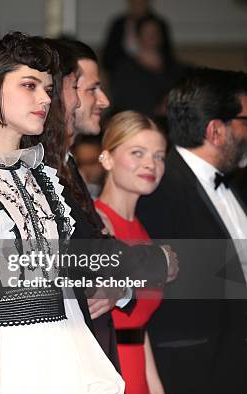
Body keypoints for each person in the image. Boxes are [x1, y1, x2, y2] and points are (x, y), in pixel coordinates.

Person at [0, 32, 124, 394]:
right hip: (5, 359)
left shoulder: (43, 175)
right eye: (29, 85)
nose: (44, 98)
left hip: (62, 351)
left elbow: (59, 282)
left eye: (46, 88)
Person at [41, 38, 177, 373]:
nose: (103, 100)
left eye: (159, 156)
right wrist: (157, 260)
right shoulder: (37, 169)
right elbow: (42, 263)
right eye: (89, 89)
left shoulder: (67, 166)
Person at [136, 67, 247, 394]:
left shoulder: (234, 184)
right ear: (216, 131)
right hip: (192, 375)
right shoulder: (159, 187)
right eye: (245, 120)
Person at [94, 111, 167, 394]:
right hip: (108, 378)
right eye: (138, 153)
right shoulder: (96, 223)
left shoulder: (143, 232)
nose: (151, 164)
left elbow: (140, 327)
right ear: (107, 159)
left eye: (160, 156)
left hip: (138, 381)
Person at [109, 14, 183, 117]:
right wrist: (157, 109)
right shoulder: (125, 70)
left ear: (162, 36)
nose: (151, 36)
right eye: (147, 32)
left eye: (155, 32)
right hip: (138, 122)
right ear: (138, 37)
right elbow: (123, 103)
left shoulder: (176, 68)